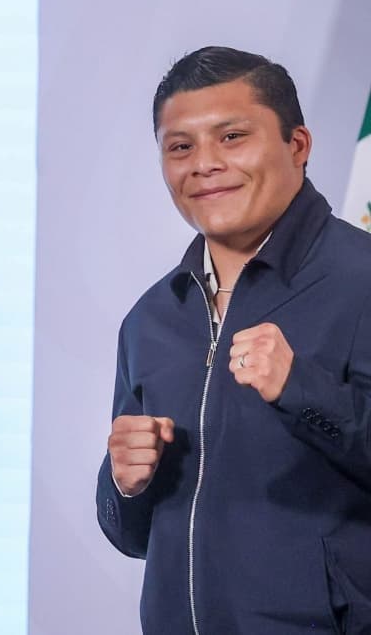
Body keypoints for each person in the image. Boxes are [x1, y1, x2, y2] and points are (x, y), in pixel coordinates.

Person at [97, 46, 371, 633]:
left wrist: (302, 390)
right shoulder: (150, 319)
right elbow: (133, 536)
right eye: (180, 147)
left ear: (297, 145)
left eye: (231, 137)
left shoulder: (363, 281)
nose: (204, 164)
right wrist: (124, 484)